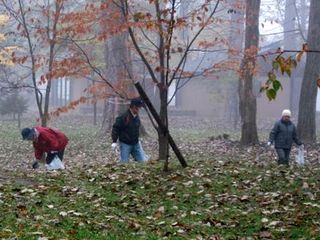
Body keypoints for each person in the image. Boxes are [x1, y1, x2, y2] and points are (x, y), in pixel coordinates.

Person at [111, 97, 148, 163]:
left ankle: (145, 157)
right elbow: (116, 128)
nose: (139, 109)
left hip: (136, 144)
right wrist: (114, 141)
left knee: (143, 162)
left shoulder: (136, 117)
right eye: (139, 107)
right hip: (125, 144)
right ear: (134, 107)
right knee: (124, 164)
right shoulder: (123, 117)